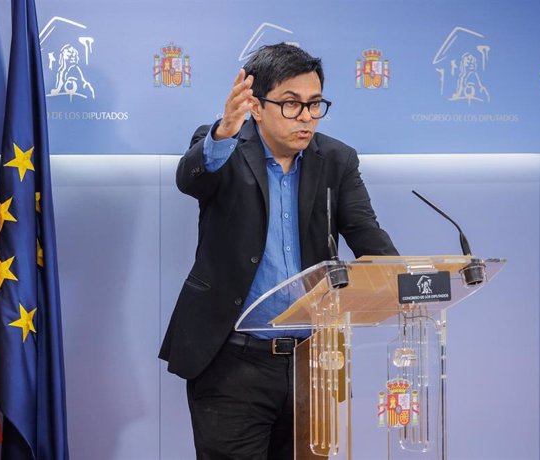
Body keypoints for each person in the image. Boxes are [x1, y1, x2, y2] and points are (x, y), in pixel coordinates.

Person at [159, 43, 398, 459]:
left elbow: (368, 237)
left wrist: (406, 279)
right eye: (291, 105)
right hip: (231, 360)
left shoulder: (336, 160)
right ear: (256, 105)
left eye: (314, 104)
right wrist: (224, 132)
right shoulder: (223, 143)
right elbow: (191, 179)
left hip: (315, 363)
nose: (306, 117)